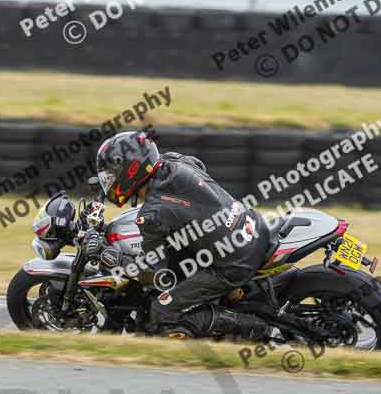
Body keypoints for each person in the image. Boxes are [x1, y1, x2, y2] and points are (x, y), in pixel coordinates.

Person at [85, 130, 272, 340]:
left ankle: (260, 328)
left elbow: (156, 276)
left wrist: (109, 255)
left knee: (160, 313)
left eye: (111, 176)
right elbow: (198, 165)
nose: (109, 182)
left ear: (130, 171)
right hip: (252, 225)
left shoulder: (152, 214)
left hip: (234, 263)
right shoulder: (173, 161)